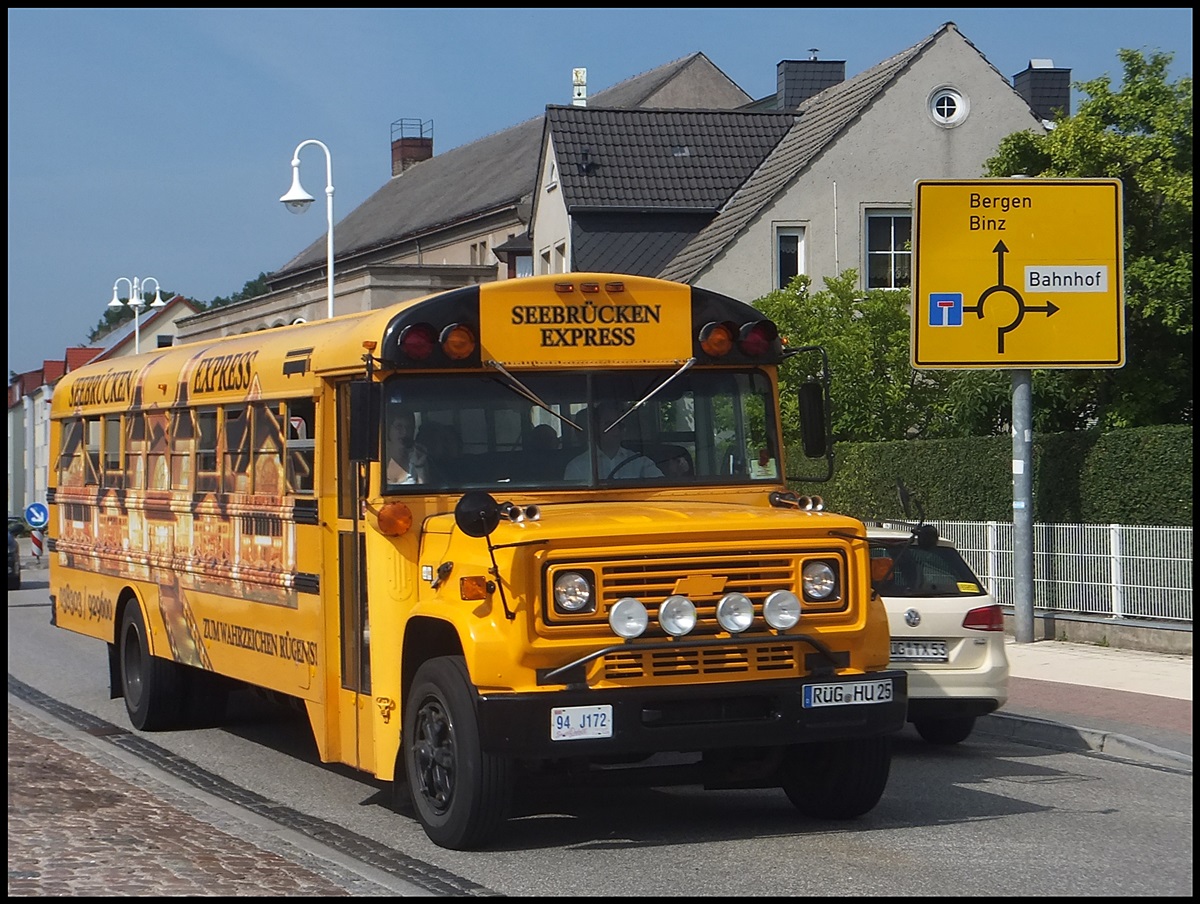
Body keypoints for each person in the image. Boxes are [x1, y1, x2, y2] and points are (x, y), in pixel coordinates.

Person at [563, 400, 663, 480]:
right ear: (596, 427)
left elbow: (661, 491)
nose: (616, 430)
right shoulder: (577, 466)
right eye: (609, 424)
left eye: (620, 425)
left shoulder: (640, 462)